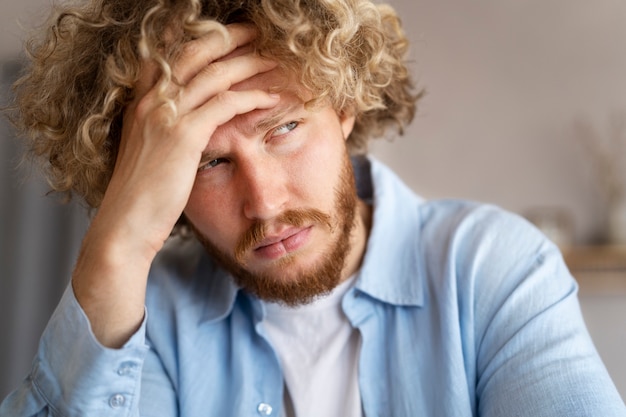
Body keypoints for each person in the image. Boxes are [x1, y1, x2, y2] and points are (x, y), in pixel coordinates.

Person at [1, 0, 624, 415]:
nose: (265, 203)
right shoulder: (149, 320)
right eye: (208, 163)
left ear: (346, 106)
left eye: (284, 129)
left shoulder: (494, 269)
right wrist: (119, 244)